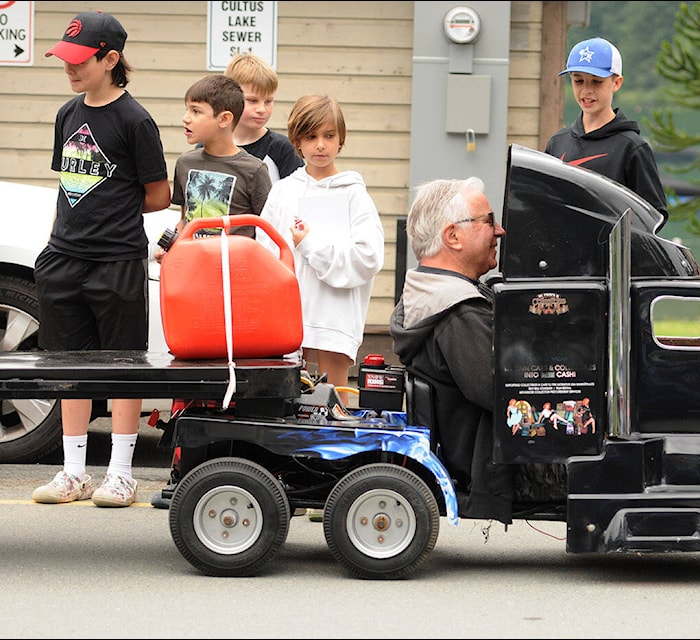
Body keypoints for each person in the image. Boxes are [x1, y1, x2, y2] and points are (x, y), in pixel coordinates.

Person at [32, 10, 171, 507]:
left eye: (80, 60)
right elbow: (66, 183)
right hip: (64, 259)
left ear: (111, 59)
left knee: (122, 367)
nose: (69, 68)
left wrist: (112, 207)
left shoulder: (135, 120)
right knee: (69, 367)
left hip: (116, 259)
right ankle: (73, 473)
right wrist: (56, 242)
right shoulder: (69, 114)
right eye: (64, 59)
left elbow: (159, 194)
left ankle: (120, 473)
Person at [389, 177, 515, 524]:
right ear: (453, 236)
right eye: (488, 221)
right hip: (491, 467)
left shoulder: (432, 294)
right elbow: (506, 395)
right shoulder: (459, 311)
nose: (500, 231)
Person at [257, 94, 384, 387]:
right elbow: (264, 251)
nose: (321, 145)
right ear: (296, 140)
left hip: (333, 316)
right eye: (311, 136)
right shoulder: (283, 192)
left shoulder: (354, 194)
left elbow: (369, 257)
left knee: (334, 398)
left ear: (341, 139)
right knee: (288, 398)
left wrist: (311, 245)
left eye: (329, 135)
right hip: (288, 316)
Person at [545, 36, 669, 220]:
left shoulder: (632, 147)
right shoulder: (557, 142)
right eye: (578, 81)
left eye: (596, 82)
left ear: (616, 83)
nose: (586, 90)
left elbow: (654, 216)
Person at [168, 74, 273, 242]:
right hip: (193, 264)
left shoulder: (255, 170)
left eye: (196, 111)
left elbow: (268, 230)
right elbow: (184, 221)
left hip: (236, 266)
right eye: (186, 109)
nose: (185, 118)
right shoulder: (184, 163)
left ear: (224, 119)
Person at [222, 52, 303, 183]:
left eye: (268, 101)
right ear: (229, 97)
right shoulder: (208, 145)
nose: (262, 109)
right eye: (252, 101)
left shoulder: (282, 149)